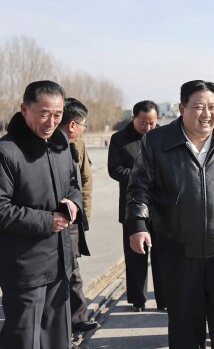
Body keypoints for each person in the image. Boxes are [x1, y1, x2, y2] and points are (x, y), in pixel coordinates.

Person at [126, 80, 214, 349]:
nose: (207, 114)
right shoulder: (157, 141)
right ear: (182, 108)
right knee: (184, 325)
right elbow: (139, 187)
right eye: (199, 106)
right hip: (178, 250)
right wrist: (137, 224)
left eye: (213, 107)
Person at [0, 80, 83, 349]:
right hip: (25, 266)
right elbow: (1, 208)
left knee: (58, 336)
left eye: (57, 115)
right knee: (25, 338)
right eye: (44, 113)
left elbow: (74, 184)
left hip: (60, 261)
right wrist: (48, 221)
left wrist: (73, 203)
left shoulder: (60, 144)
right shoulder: (7, 151)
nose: (51, 121)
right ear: (25, 110)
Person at [108, 100, 165, 311]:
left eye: (152, 123)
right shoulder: (119, 139)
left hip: (160, 207)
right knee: (136, 257)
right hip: (132, 206)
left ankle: (164, 299)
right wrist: (139, 176)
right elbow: (114, 169)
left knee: (161, 256)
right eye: (143, 123)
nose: (148, 128)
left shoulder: (162, 136)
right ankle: (138, 300)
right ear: (133, 118)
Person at [58, 98, 99, 334]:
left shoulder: (78, 145)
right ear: (73, 124)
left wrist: (85, 214)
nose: (84, 129)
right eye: (84, 124)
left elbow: (85, 180)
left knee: (73, 268)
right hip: (54, 221)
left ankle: (78, 317)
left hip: (74, 219)